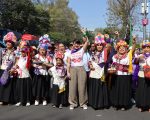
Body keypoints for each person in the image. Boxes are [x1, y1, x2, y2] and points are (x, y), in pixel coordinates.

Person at [110, 38, 136, 110]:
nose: (121, 49)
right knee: (116, 90)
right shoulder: (114, 56)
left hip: (125, 76)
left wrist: (134, 43)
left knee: (124, 91)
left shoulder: (128, 55)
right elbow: (113, 65)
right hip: (116, 75)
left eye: (123, 48)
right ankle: (116, 104)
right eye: (120, 48)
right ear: (118, 49)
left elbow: (133, 50)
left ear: (126, 49)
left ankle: (124, 105)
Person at [88, 34, 109, 109]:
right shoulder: (93, 53)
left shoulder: (105, 52)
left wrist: (107, 39)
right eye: (98, 45)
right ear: (96, 46)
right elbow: (89, 61)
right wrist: (90, 65)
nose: (99, 46)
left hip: (101, 73)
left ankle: (101, 104)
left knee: (101, 88)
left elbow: (108, 46)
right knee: (95, 88)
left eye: (101, 45)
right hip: (94, 73)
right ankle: (94, 103)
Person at [67, 38, 89, 110]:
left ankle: (83, 103)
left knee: (82, 87)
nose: (76, 45)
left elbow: (87, 42)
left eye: (78, 43)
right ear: (73, 44)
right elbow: (68, 63)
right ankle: (73, 103)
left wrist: (85, 35)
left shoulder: (81, 50)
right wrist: (68, 72)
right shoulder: (69, 52)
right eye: (75, 43)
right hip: (72, 69)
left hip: (81, 69)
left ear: (80, 45)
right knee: (72, 87)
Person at [32, 35, 53, 106]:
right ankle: (37, 99)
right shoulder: (36, 56)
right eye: (41, 50)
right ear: (39, 50)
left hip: (45, 73)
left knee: (45, 87)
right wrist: (40, 64)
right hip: (37, 73)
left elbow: (51, 65)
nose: (42, 51)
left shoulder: (48, 57)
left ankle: (44, 99)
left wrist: (44, 64)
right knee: (37, 87)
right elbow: (33, 63)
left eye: (44, 50)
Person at [0, 32, 17, 104]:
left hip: (10, 70)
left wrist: (13, 69)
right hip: (2, 69)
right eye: (7, 42)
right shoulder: (2, 51)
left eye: (10, 42)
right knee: (2, 84)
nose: (8, 43)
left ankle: (8, 100)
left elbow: (16, 62)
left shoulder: (16, 52)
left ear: (12, 43)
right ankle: (1, 99)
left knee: (9, 85)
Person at [135, 40, 150, 112]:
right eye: (144, 47)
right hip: (141, 74)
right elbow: (135, 62)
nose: (146, 48)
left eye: (148, 47)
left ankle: (149, 106)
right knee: (142, 90)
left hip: (149, 75)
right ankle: (142, 105)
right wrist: (138, 58)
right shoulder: (140, 55)